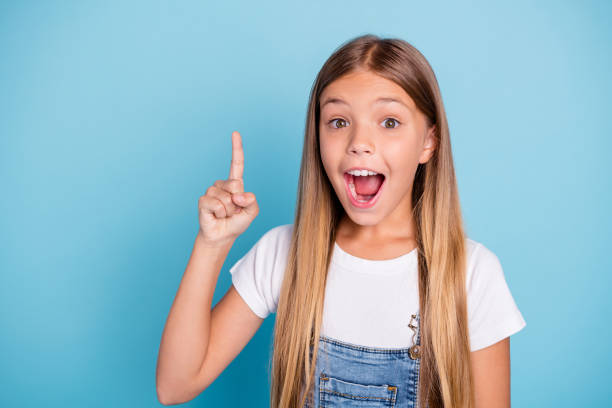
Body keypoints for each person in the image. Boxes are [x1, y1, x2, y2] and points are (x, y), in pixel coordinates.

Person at [156, 34, 526, 408]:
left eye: (390, 122)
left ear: (429, 141)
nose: (359, 142)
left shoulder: (471, 274)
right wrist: (212, 245)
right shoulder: (283, 254)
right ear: (317, 136)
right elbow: (175, 386)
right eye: (338, 121)